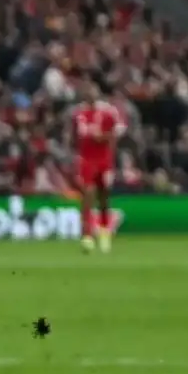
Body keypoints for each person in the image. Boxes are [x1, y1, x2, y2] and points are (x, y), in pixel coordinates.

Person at [70, 77, 126, 253]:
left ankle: (103, 232)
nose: (89, 94)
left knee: (104, 196)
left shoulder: (109, 112)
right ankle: (87, 235)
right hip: (86, 159)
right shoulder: (79, 113)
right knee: (87, 194)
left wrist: (103, 138)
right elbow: (77, 135)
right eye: (86, 91)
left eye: (92, 90)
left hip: (104, 159)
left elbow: (117, 132)